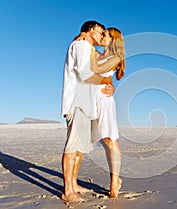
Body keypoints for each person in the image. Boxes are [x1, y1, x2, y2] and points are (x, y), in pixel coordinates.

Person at [61, 20, 120, 203]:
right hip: (77, 102)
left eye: (103, 32)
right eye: (99, 31)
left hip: (86, 104)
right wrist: (107, 83)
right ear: (89, 30)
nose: (101, 35)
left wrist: (111, 86)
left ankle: (74, 184)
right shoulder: (81, 45)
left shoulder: (87, 48)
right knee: (72, 147)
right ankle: (68, 191)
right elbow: (85, 74)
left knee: (79, 148)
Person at [89, 27, 125, 198]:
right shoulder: (97, 53)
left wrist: (112, 85)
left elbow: (96, 71)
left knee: (110, 139)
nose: (102, 36)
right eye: (102, 34)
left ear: (113, 40)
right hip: (92, 100)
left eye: (105, 35)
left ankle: (114, 181)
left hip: (104, 100)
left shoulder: (114, 57)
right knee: (102, 140)